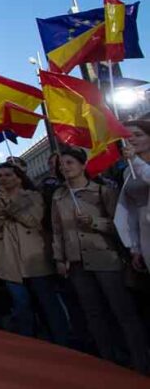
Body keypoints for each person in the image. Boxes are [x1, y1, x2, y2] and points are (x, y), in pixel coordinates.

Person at [51, 147, 147, 373]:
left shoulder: (102, 191)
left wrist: (94, 222)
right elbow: (56, 230)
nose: (64, 168)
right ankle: (107, 359)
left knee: (121, 310)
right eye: (61, 165)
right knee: (93, 313)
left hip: (105, 256)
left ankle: (139, 359)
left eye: (69, 163)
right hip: (76, 261)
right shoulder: (59, 196)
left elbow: (120, 225)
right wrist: (59, 258)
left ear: (83, 165)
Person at [0, 162, 69, 345]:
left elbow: (32, 221)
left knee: (48, 304)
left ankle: (62, 341)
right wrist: (0, 207)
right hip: (10, 257)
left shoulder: (33, 196)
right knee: (21, 305)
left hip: (34, 256)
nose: (3, 179)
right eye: (0, 176)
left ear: (19, 177)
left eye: (8, 175)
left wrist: (10, 204)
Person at [117, 119, 150, 272]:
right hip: (145, 233)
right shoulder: (127, 172)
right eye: (126, 136)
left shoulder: (136, 164)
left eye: (138, 134)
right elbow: (131, 212)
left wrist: (135, 161)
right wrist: (135, 247)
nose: (131, 139)